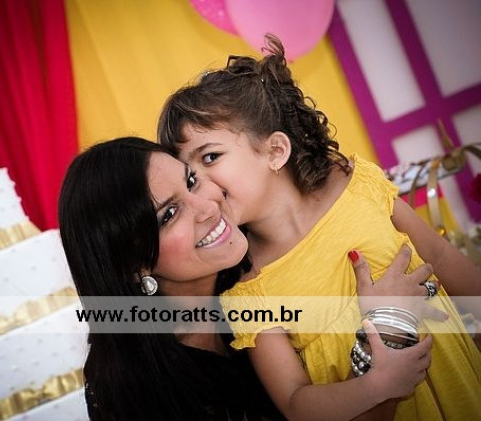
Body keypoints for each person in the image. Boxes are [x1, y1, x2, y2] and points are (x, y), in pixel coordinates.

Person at [157, 34, 481, 420]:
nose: (202, 188)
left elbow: (440, 256)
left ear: (275, 151)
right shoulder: (250, 292)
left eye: (211, 157)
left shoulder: (358, 185)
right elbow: (296, 403)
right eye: (190, 176)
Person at [58, 136, 435, 421]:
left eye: (192, 180)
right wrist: (388, 328)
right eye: (169, 214)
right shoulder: (138, 394)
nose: (208, 205)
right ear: (133, 265)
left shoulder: (253, 282)